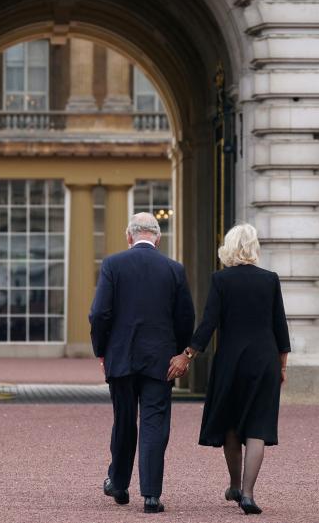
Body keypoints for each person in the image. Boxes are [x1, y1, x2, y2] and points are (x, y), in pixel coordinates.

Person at [167, 223, 291, 515]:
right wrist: (282, 365)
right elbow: (280, 326)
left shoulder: (221, 280)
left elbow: (209, 323)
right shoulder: (270, 279)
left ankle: (235, 484)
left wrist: (188, 354)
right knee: (258, 426)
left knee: (232, 426)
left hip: (231, 361)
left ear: (229, 248)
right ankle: (247, 494)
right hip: (265, 359)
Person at [90, 212, 196, 514]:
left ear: (129, 236)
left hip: (121, 356)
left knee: (124, 421)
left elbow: (99, 314)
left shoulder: (113, 264)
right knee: (154, 423)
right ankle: (151, 494)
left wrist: (102, 350)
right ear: (158, 238)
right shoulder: (174, 269)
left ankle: (119, 483)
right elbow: (185, 317)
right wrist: (180, 354)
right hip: (161, 359)